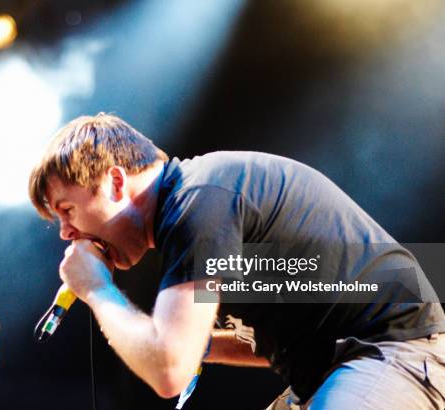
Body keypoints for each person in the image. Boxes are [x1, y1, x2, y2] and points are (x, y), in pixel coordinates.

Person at [28, 113, 445, 409]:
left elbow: (168, 372)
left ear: (115, 182)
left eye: (67, 210)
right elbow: (290, 331)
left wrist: (98, 290)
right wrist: (199, 344)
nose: (67, 232)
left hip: (393, 352)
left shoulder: (200, 204)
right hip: (349, 360)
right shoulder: (197, 207)